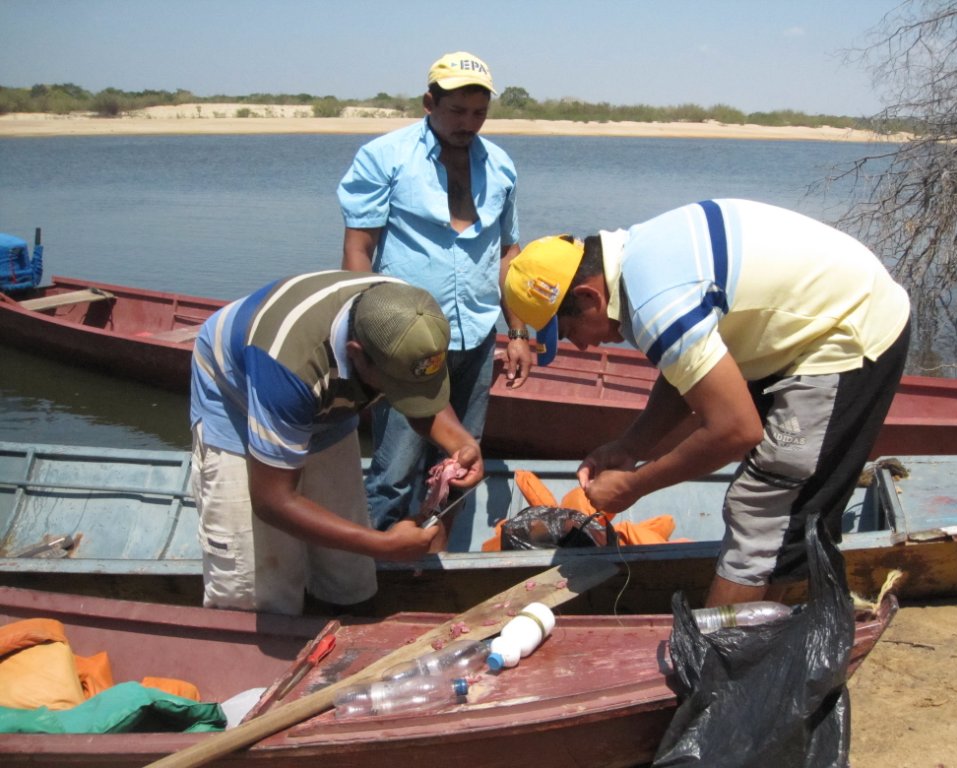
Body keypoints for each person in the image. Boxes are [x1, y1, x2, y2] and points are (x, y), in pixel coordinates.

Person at [504, 199, 911, 607]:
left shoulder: (656, 302)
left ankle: (722, 659)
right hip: (804, 321)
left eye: (568, 328)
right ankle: (769, 626)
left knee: (761, 509)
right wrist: (630, 447)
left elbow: (736, 430)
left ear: (589, 297)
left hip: (849, 329)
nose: (579, 344)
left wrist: (635, 485)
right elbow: (683, 370)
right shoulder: (634, 257)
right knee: (785, 511)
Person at [190, 272, 483, 616]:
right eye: (395, 387)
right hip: (238, 399)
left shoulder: (412, 315)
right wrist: (383, 544)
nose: (400, 398)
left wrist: (459, 442)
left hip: (326, 404)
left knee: (349, 578)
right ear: (356, 354)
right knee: (262, 591)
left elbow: (423, 396)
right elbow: (271, 500)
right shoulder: (289, 364)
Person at [337, 51, 529, 531]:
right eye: (457, 111)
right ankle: (376, 562)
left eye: (479, 113)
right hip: (406, 341)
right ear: (429, 102)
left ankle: (434, 555)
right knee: (395, 469)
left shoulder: (501, 167)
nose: (469, 123)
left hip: (479, 334)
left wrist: (519, 331)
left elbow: (508, 255)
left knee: (461, 460)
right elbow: (359, 250)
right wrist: (359, 337)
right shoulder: (385, 157)